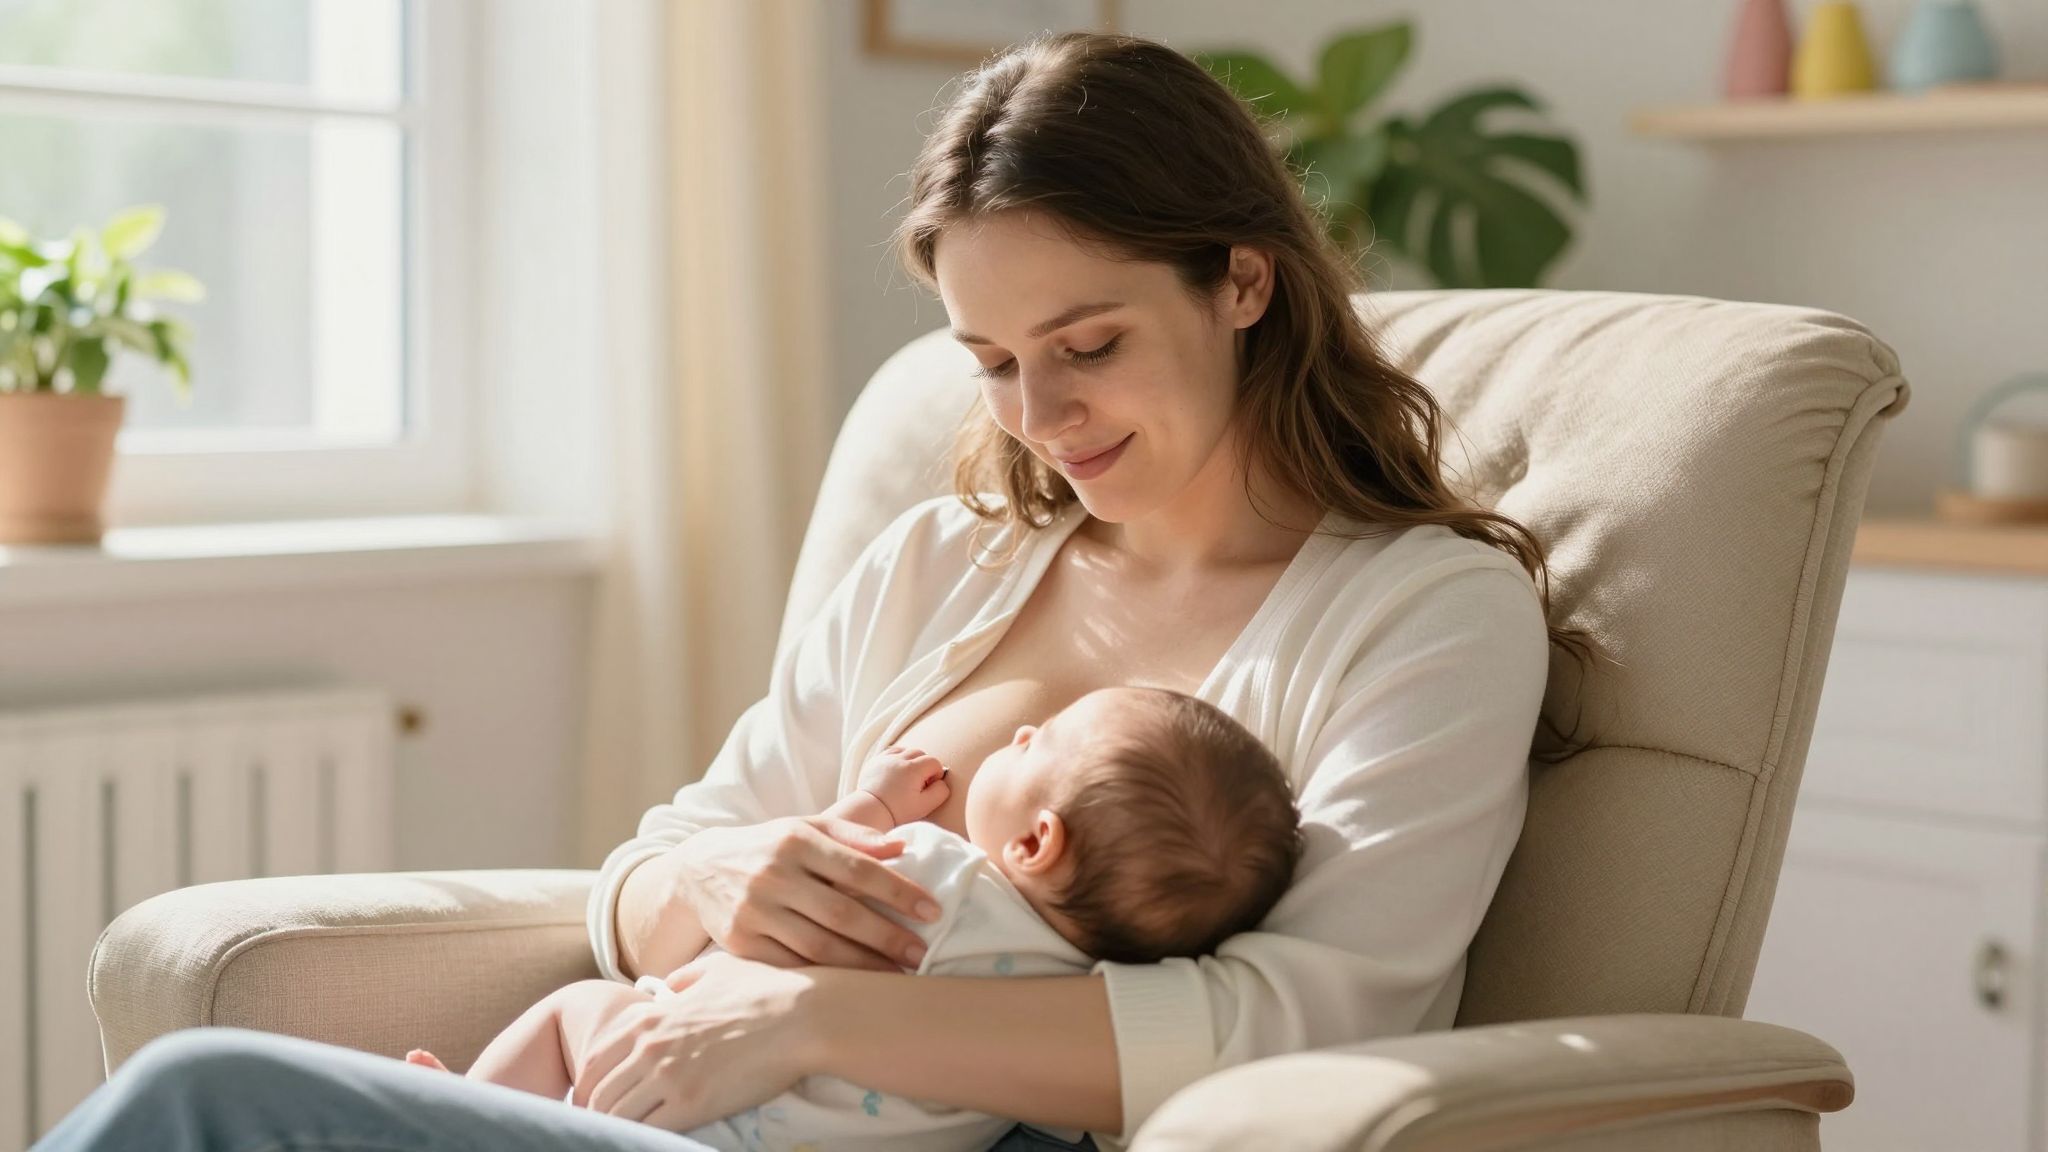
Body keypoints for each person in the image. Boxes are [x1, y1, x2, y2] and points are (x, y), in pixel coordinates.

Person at [32, 28, 1594, 1152]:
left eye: (1090, 344)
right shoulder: (942, 564)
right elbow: (644, 881)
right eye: (992, 362)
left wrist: (815, 1021)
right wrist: (720, 888)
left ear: (1242, 282)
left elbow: (1313, 1026)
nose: (1041, 417)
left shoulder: (1421, 610)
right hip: (695, 1112)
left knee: (203, 1101)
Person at [404, 686, 1304, 1152]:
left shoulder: (942, 876)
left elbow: (819, 851)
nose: (1022, 734)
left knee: (575, 1013)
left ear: (1035, 842)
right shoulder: (1077, 1008)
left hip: (682, 1090)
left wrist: (875, 801)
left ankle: (457, 1111)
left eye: (1042, 742)